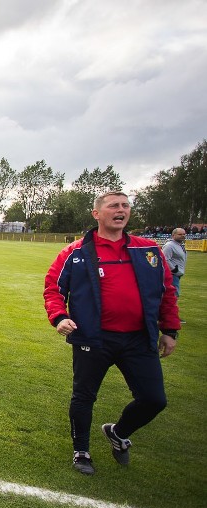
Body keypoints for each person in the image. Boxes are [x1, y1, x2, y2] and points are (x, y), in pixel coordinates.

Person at [43, 191, 180, 476]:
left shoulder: (148, 250)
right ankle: (81, 449)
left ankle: (118, 432)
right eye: (114, 206)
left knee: (154, 399)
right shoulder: (76, 252)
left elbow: (167, 292)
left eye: (125, 205)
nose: (121, 210)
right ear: (97, 214)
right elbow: (54, 288)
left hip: (138, 338)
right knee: (83, 396)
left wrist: (169, 329)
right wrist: (59, 316)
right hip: (94, 337)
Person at [162, 228, 187, 298]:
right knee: (173, 295)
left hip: (177, 275)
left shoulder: (179, 245)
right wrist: (173, 269)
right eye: (180, 234)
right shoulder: (169, 246)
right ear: (173, 235)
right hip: (172, 275)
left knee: (173, 295)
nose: (182, 236)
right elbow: (165, 259)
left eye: (184, 234)